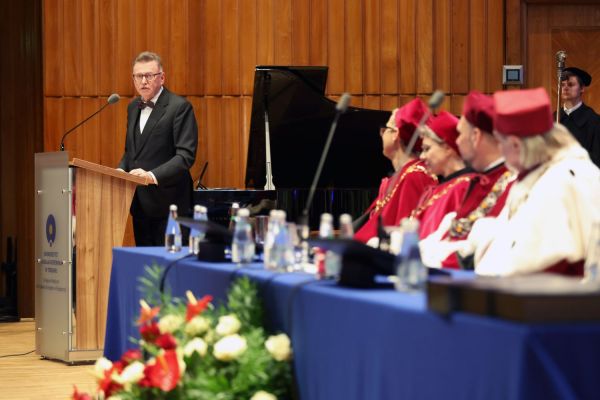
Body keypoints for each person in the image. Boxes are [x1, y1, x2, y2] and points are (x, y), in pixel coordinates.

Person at [463, 87, 600, 276]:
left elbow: (537, 264)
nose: (500, 151)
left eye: (501, 143)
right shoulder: (537, 173)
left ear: (516, 145)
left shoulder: (559, 181)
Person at [419, 91, 514, 268]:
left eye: (460, 133)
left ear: (476, 136)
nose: (457, 141)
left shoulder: (512, 184)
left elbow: (482, 253)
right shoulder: (482, 180)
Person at [117, 51, 198, 246]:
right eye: (138, 76)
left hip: (170, 206)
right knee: (147, 272)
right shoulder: (133, 107)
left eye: (149, 76)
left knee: (169, 273)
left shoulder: (179, 107)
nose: (143, 81)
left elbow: (185, 156)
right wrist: (120, 170)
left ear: (161, 78)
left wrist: (151, 176)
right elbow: (131, 151)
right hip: (140, 206)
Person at [354, 99, 437, 243]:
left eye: (385, 129)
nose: (382, 134)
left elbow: (405, 237)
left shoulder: (416, 176)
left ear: (395, 134)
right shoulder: (402, 175)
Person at [410, 111, 474, 239]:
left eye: (427, 149)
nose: (422, 156)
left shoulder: (464, 187)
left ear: (447, 148)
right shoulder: (437, 188)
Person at [557, 67, 600, 167]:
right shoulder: (553, 118)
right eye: (562, 85)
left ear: (582, 88)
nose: (565, 88)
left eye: (571, 84)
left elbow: (597, 159)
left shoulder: (594, 121)